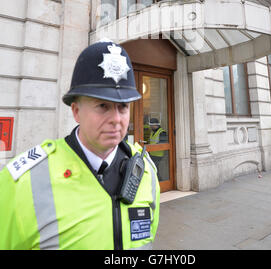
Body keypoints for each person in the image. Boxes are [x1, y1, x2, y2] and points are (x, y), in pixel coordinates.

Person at [0, 40, 160, 250]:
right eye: (103, 106)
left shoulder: (146, 170)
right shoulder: (21, 182)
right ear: (76, 111)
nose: (116, 119)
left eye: (123, 107)